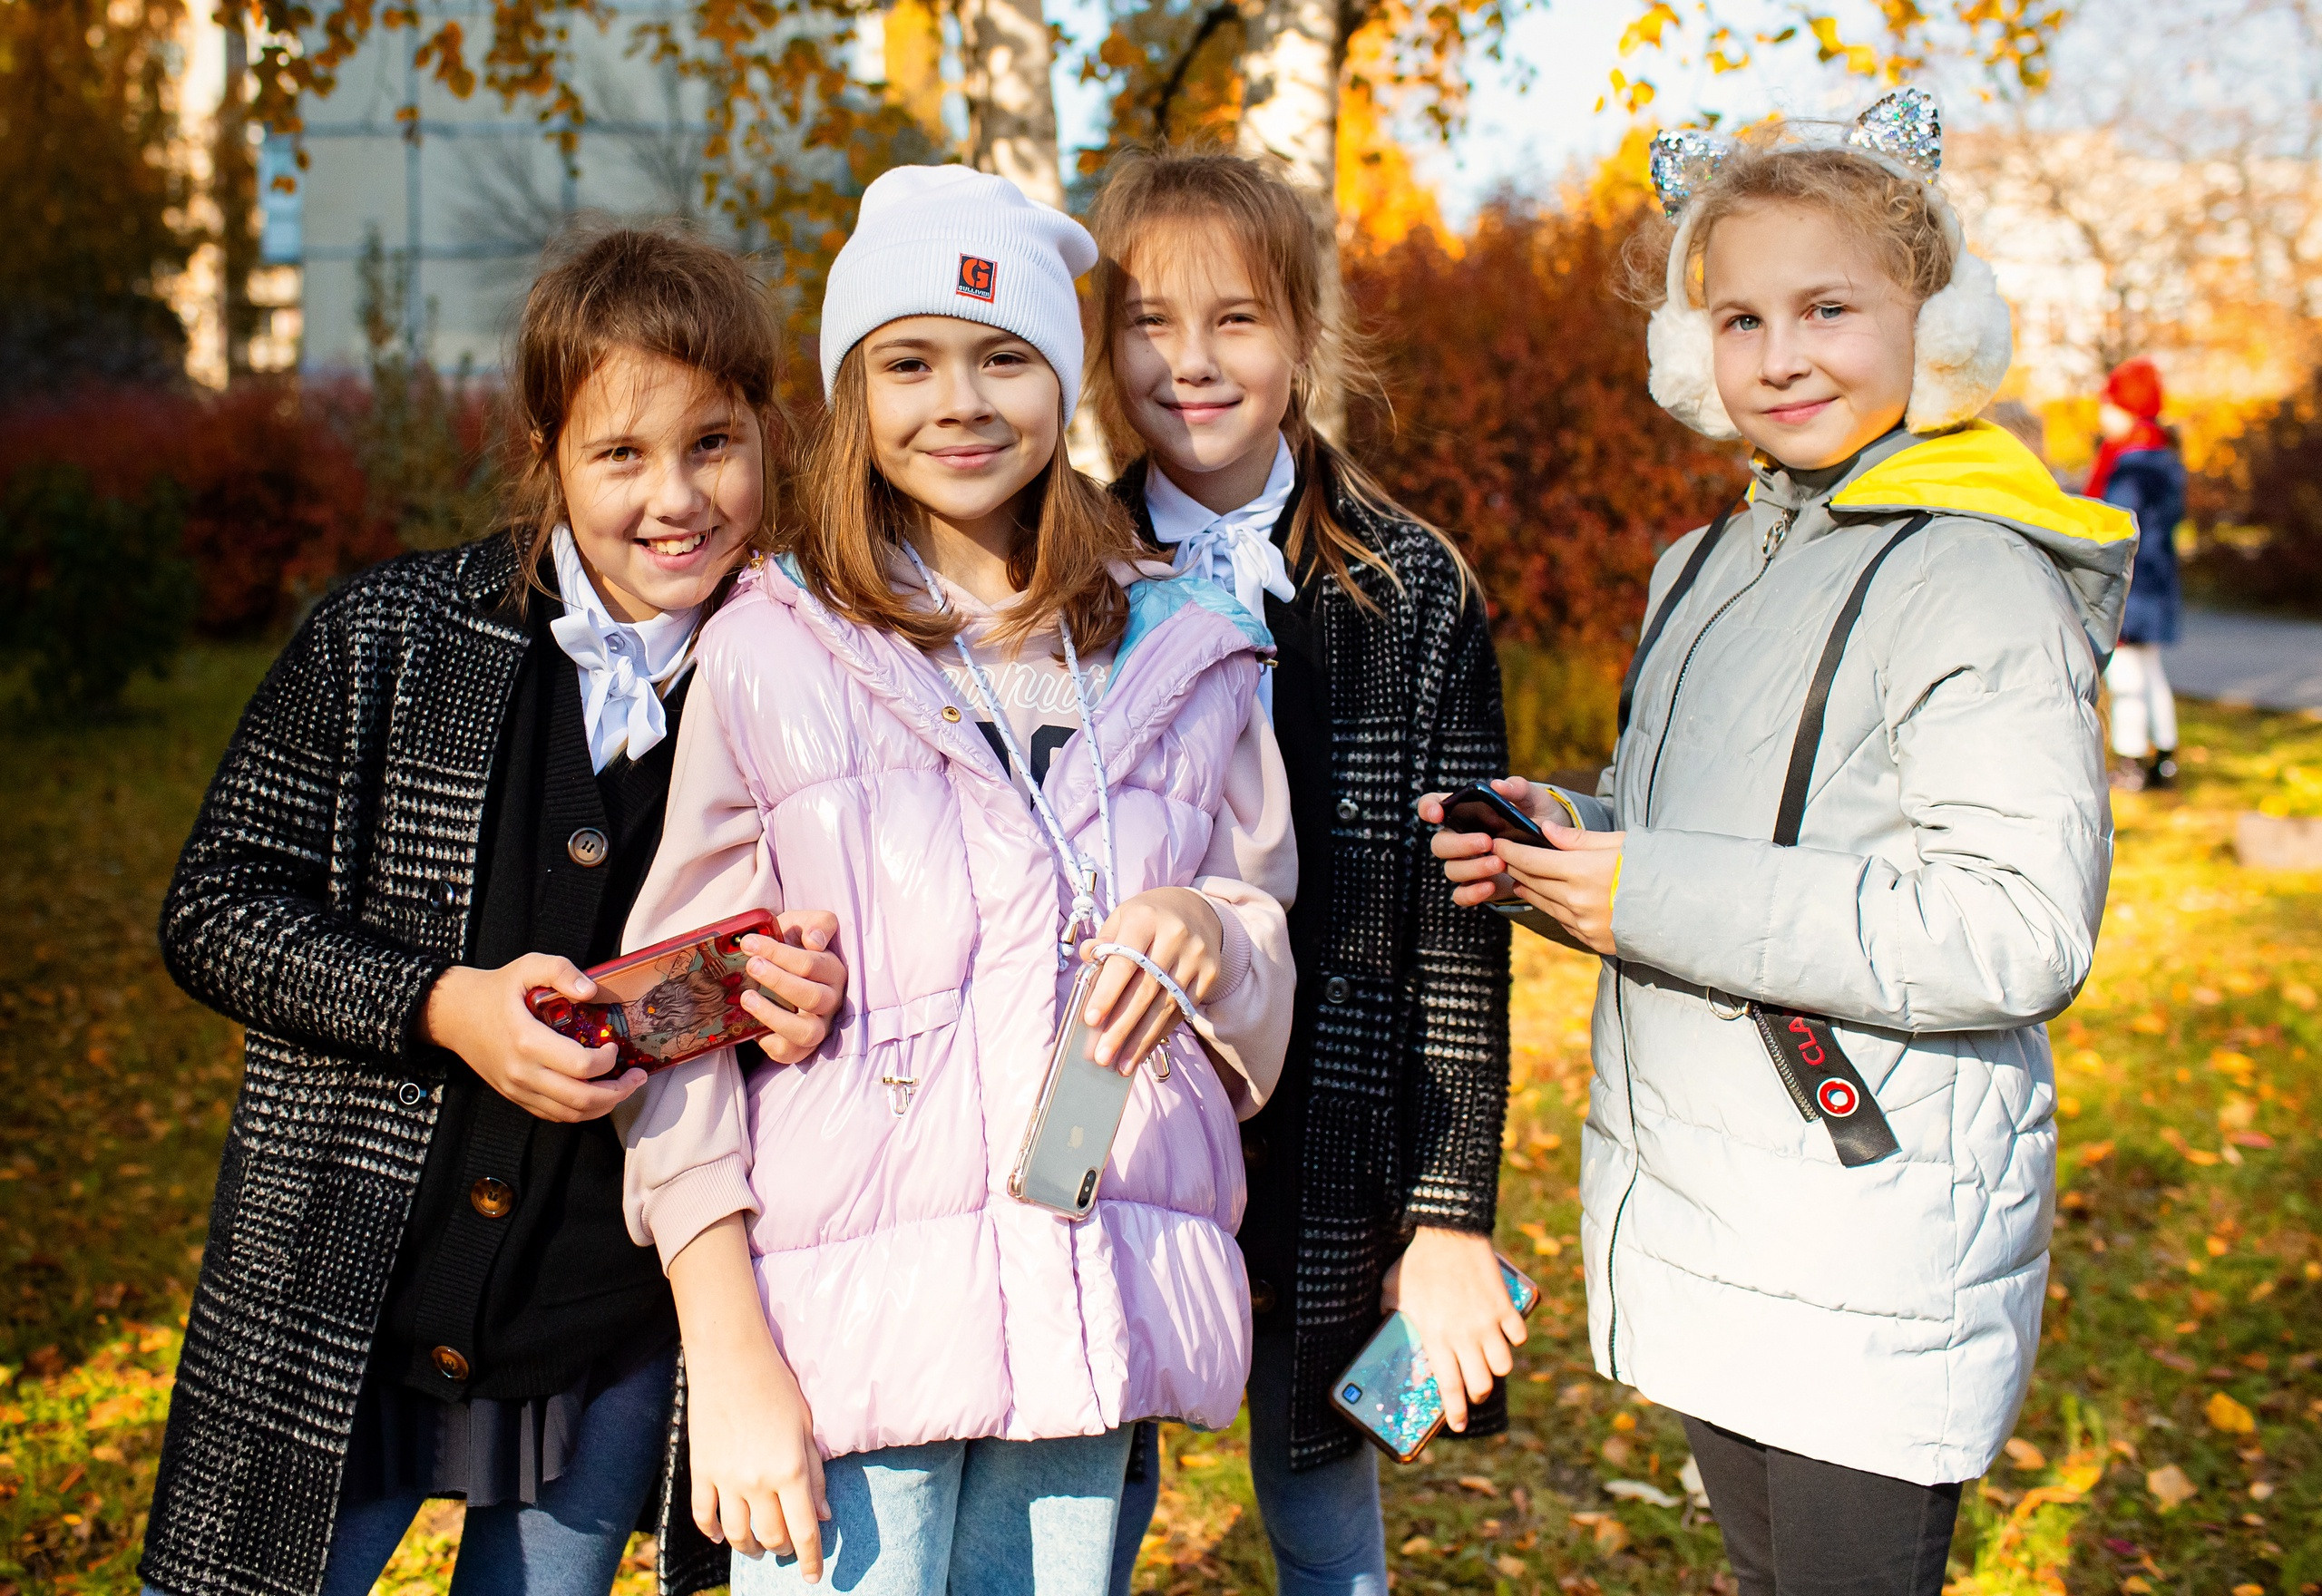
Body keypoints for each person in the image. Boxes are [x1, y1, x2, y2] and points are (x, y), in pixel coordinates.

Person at [1428, 89, 2133, 1595]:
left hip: (1863, 1232)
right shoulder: (1705, 562)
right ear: (1692, 353)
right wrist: (1575, 837)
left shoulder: (1977, 579)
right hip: (1712, 1210)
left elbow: (2015, 927)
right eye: (1738, 319)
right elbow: (1707, 841)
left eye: (1829, 306)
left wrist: (1650, 888)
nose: (1782, 353)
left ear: (1934, 322)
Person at [617, 164, 1297, 1596]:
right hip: (843, 1339)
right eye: (909, 362)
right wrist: (725, 1347)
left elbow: (1260, 955)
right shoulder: (770, 647)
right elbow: (664, 1020)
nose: (961, 402)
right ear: (853, 393)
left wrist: (1207, 935)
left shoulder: (1190, 650)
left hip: (1085, 1308)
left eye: (1007, 358)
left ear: (1063, 382)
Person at [137, 226, 848, 1596]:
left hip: (605, 1316)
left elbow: (802, 961)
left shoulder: (812, 682)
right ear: (546, 458)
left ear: (769, 438)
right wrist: (442, 1004)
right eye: (620, 455)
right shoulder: (386, 640)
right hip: (346, 1286)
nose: (675, 497)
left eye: (713, 443)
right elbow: (214, 909)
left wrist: (788, 1004)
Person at [1084, 146, 1518, 1596]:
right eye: (1149, 321)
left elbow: (1461, 929)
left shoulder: (1411, 587)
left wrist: (1451, 1210)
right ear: (1098, 344)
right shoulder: (1055, 564)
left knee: (1319, 1501)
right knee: (1087, 1483)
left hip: (1335, 1121)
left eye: (1237, 320)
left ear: (1304, 340)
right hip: (1113, 1094)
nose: (1191, 363)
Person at [2088, 357, 2186, 792]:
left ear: (2125, 408)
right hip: (2158, 582)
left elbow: (2112, 526)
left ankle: (2129, 762)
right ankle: (2165, 757)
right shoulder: (2165, 457)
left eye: (2106, 404)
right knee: (2150, 670)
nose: (2100, 415)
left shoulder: (2130, 466)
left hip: (2133, 586)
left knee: (2124, 674)